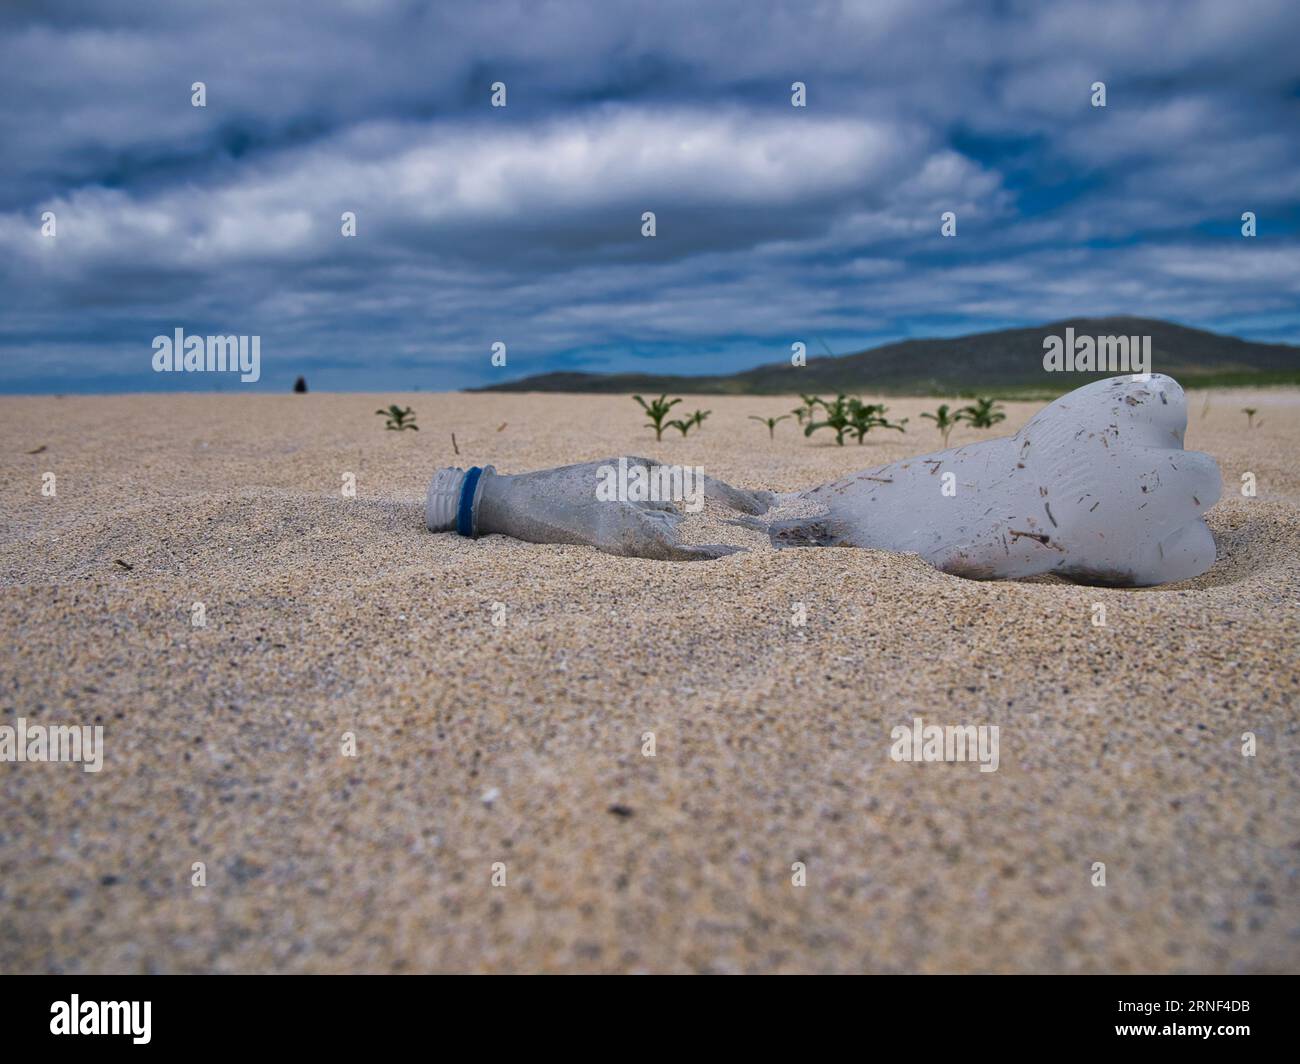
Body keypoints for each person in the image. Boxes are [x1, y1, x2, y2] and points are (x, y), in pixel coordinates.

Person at [426, 374, 1220, 587]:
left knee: (737, 513)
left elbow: (971, 552)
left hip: (921, 514)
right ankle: (491, 499)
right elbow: (970, 551)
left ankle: (491, 499)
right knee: (732, 512)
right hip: (879, 515)